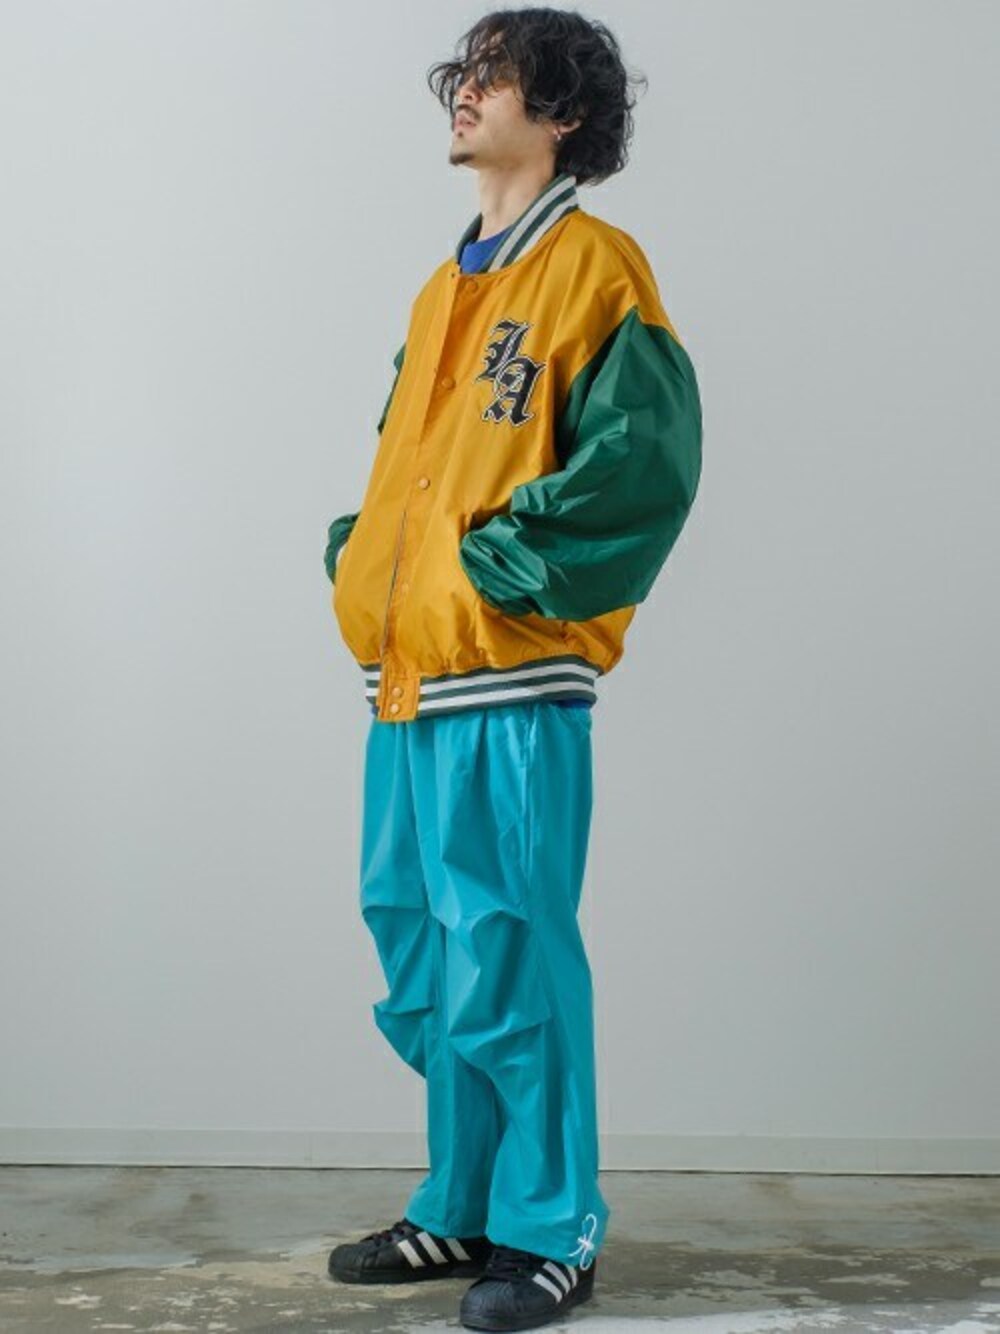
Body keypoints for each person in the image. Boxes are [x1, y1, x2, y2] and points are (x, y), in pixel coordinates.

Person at [323, 8, 702, 1330]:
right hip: (406, 678)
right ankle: (464, 1200)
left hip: (510, 680)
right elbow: (411, 468)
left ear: (565, 113)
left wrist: (498, 568)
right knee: (422, 938)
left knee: (511, 948)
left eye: (497, 76)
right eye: (467, 73)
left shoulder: (596, 269)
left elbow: (648, 462)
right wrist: (365, 560)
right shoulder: (442, 290)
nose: (467, 92)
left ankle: (550, 1228)